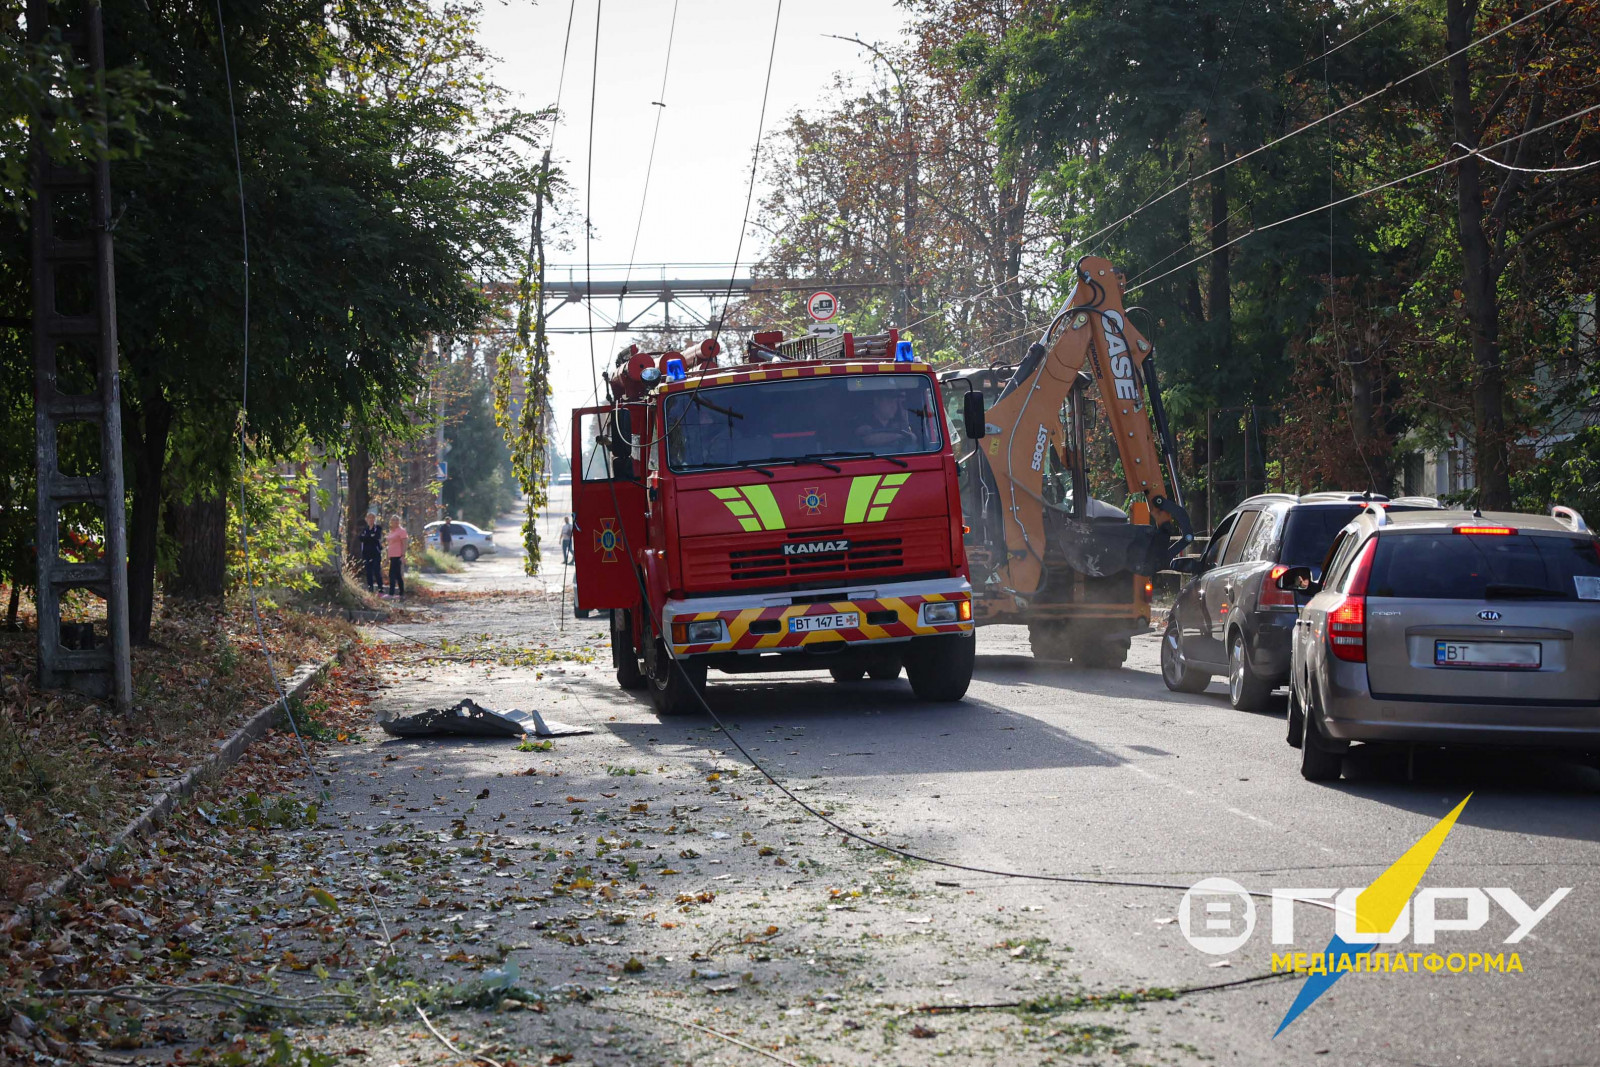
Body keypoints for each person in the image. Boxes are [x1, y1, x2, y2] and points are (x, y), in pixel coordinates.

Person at [358, 511, 384, 593]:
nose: (371, 520)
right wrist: (369, 536)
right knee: (368, 571)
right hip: (366, 553)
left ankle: (380, 588)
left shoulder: (378, 528)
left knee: (376, 570)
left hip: (375, 552)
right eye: (369, 518)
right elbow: (360, 538)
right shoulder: (364, 529)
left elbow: (376, 537)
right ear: (366, 519)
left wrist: (367, 537)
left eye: (372, 518)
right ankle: (370, 588)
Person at [385, 514, 409, 597]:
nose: (395, 521)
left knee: (392, 574)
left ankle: (391, 593)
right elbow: (389, 545)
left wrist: (403, 555)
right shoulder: (392, 531)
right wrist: (387, 558)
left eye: (396, 520)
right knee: (398, 574)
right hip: (392, 555)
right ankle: (402, 591)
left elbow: (405, 543)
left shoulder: (402, 531)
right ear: (390, 522)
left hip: (398, 555)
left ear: (399, 521)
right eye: (393, 520)